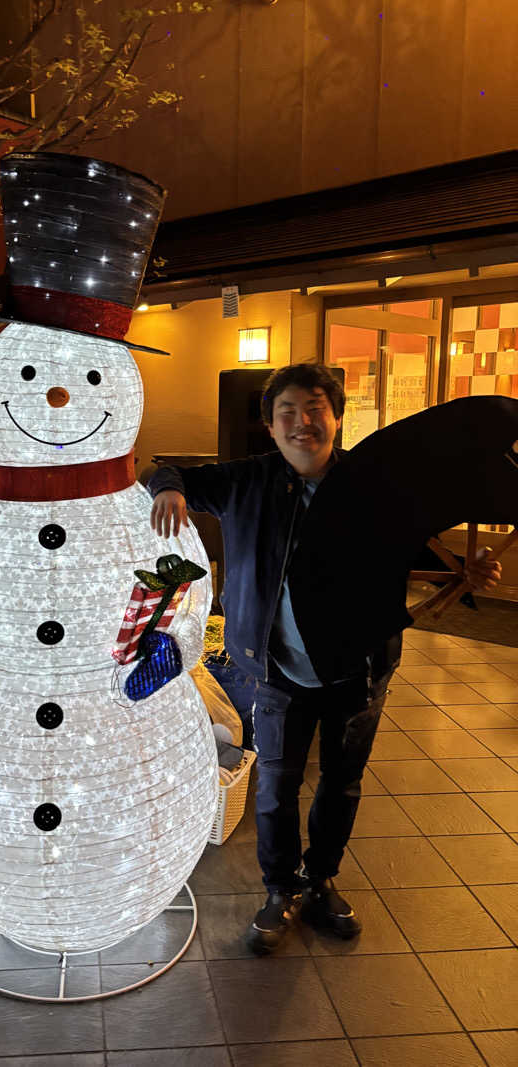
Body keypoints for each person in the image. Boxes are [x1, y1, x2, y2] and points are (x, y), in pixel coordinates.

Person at [148, 363, 502, 954]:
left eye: (315, 408)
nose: (302, 422)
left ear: (336, 418)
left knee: (341, 784)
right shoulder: (249, 481)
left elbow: (413, 546)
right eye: (287, 410)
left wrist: (465, 571)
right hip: (278, 668)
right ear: (269, 423)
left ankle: (321, 883)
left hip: (358, 669)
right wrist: (169, 488)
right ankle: (279, 890)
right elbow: (165, 470)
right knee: (277, 787)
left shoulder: (375, 485)